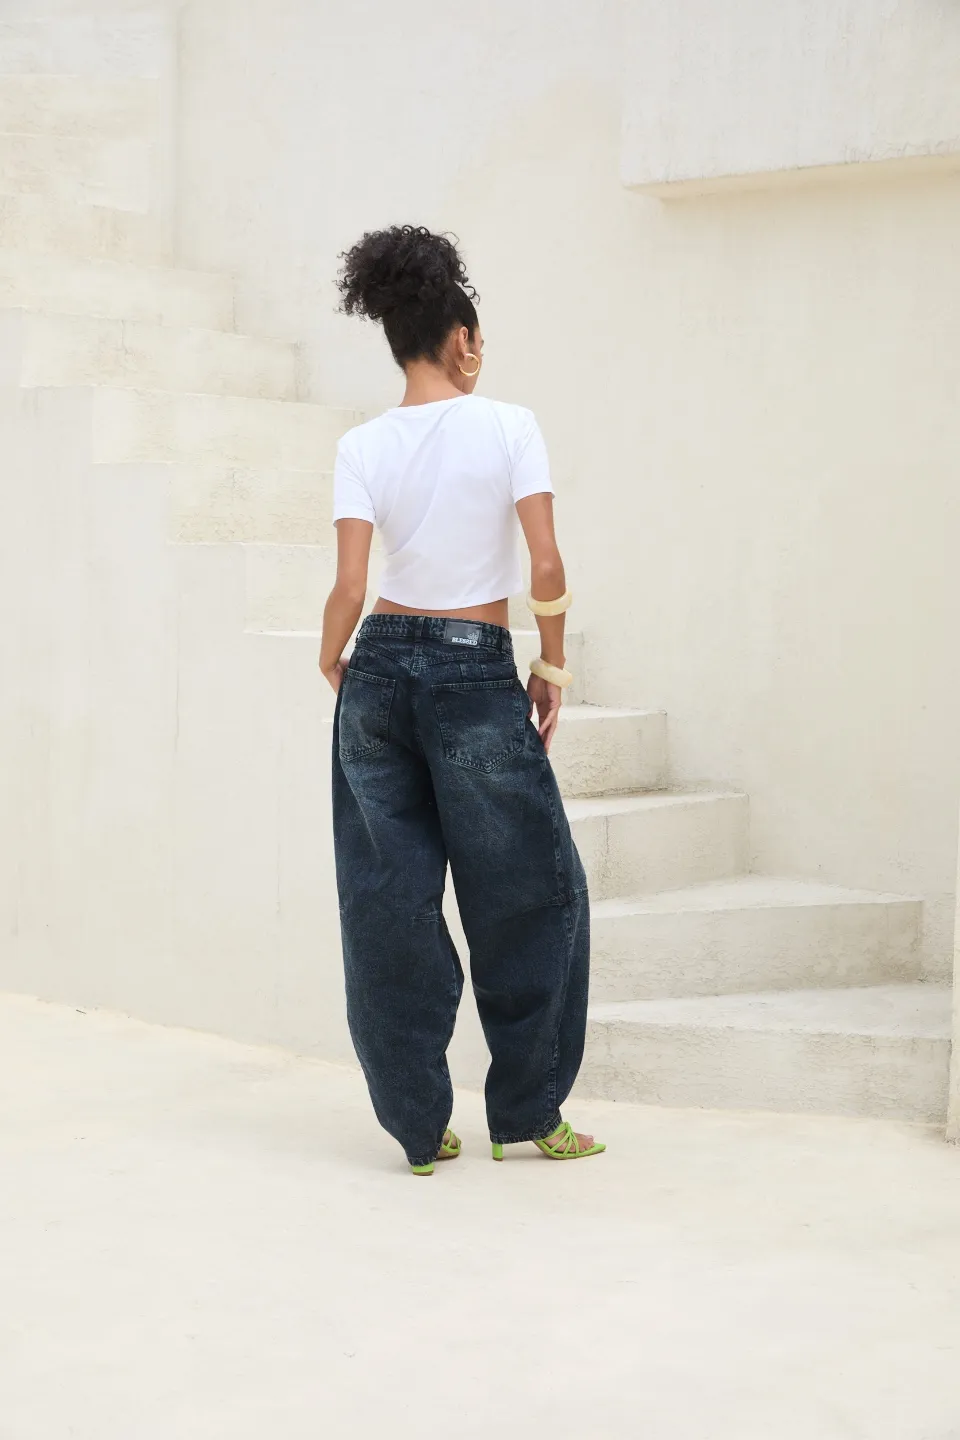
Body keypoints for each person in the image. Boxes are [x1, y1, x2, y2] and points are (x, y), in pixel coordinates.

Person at [319, 224, 604, 1175]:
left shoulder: (361, 444)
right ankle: (528, 1113)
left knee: (387, 904)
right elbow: (547, 565)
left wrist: (332, 656)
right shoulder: (509, 425)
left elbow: (350, 587)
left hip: (377, 671)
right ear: (462, 338)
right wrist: (551, 666)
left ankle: (418, 1129)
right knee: (532, 894)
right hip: (475, 671)